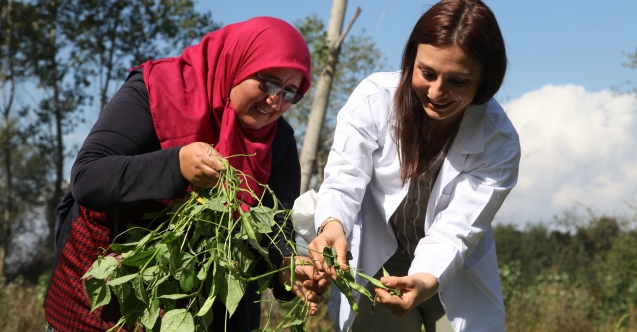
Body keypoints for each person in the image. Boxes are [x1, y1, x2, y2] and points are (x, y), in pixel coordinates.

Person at [43, 17, 328, 332]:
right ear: (237, 63)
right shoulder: (157, 89)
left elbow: (273, 230)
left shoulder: (279, 141)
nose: (276, 101)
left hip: (200, 313)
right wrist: (176, 164)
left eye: (291, 93)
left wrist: (286, 267)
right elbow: (89, 176)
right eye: (269, 82)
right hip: (103, 295)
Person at [306, 0, 520, 331]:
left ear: (484, 80)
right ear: (411, 60)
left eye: (458, 81)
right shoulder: (374, 99)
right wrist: (332, 226)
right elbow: (344, 179)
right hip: (376, 259)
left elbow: (457, 230)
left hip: (450, 267)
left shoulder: (497, 142)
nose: (437, 91)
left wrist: (422, 279)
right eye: (427, 73)